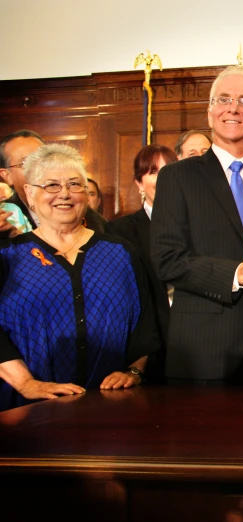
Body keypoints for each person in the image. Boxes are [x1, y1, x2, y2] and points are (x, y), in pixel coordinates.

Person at [151, 65, 243, 384]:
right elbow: (166, 260)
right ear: (210, 112)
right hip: (202, 352)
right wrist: (237, 272)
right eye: (223, 99)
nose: (233, 107)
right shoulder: (177, 177)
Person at [0, 144, 160, 411]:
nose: (64, 194)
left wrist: (134, 372)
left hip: (111, 407)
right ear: (29, 193)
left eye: (75, 184)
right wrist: (27, 383)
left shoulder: (121, 251)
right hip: (27, 408)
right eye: (51, 185)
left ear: (86, 193)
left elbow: (145, 325)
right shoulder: (7, 255)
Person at [106, 144, 178, 382]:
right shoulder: (119, 232)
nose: (164, 178)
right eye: (154, 171)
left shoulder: (198, 227)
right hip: (148, 349)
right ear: (139, 183)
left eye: (170, 170)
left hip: (197, 342)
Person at [0, 130, 106, 238]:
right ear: (7, 176)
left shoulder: (78, 208)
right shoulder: (6, 215)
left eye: (44, 160)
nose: (39, 168)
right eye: (26, 163)